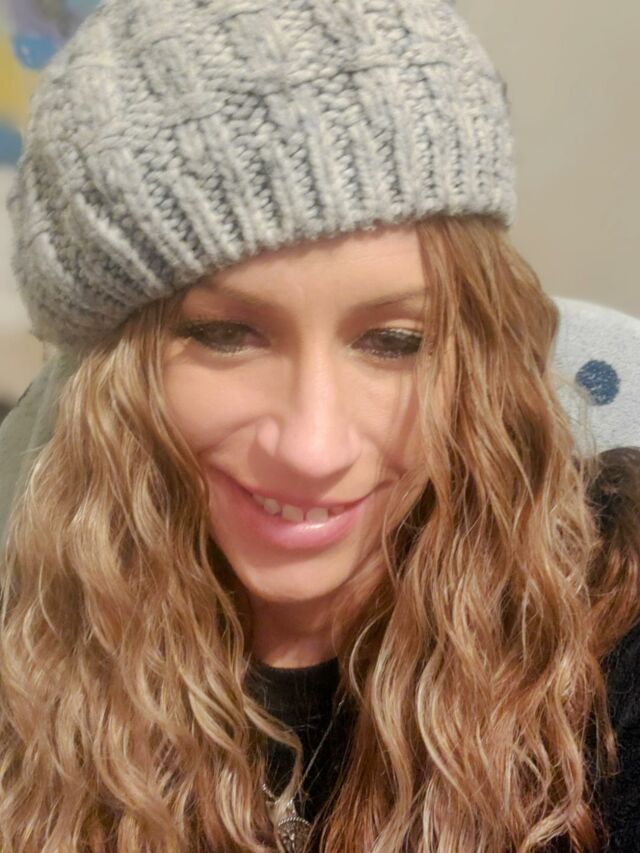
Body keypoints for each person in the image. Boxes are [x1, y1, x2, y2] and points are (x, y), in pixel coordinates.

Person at [0, 0, 639, 850]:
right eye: (225, 335)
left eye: (395, 341)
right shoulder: (29, 653)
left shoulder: (611, 603)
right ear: (113, 377)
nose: (313, 447)